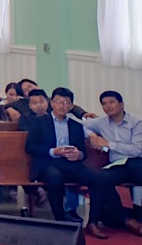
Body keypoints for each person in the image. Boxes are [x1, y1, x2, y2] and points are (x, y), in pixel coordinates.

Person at [24, 87, 115, 236]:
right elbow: (30, 146)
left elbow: (82, 152)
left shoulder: (76, 125)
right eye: (58, 102)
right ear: (51, 103)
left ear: (71, 106)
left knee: (98, 179)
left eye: (66, 102)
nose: (62, 106)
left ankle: (93, 222)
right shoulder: (39, 122)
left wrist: (78, 154)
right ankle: (60, 219)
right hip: (47, 163)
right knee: (55, 177)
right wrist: (54, 151)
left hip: (70, 164)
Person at [82, 91, 142, 235]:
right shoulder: (101, 122)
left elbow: (137, 150)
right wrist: (92, 135)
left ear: (121, 104)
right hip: (118, 165)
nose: (108, 106)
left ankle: (131, 218)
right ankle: (94, 223)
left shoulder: (136, 123)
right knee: (98, 178)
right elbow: (79, 125)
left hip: (137, 162)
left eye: (111, 102)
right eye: (104, 103)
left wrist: (108, 144)